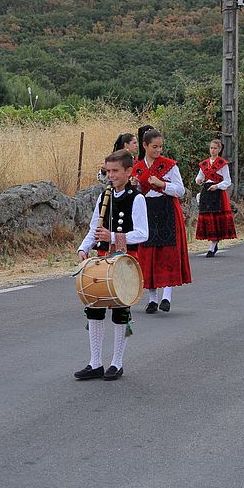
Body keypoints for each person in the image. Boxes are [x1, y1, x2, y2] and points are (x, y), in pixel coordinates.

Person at [75, 150, 148, 380]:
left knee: (119, 309)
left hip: (125, 260)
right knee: (94, 306)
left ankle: (117, 362)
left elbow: (143, 233)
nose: (111, 175)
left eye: (115, 171)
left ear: (128, 171)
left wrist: (114, 237)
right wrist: (83, 248)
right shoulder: (104, 196)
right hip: (102, 258)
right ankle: (95, 362)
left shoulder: (136, 198)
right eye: (108, 171)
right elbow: (94, 228)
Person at [131, 129, 192, 312]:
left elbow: (180, 190)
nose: (158, 150)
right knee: (149, 254)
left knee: (168, 253)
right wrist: (135, 186)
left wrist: (162, 184)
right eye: (155, 147)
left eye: (160, 147)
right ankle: (152, 299)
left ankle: (166, 296)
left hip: (167, 211)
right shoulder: (137, 168)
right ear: (145, 145)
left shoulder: (170, 166)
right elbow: (136, 194)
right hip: (147, 212)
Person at [195, 139, 236, 257]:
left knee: (216, 219)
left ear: (219, 149)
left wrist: (217, 186)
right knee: (208, 219)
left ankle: (213, 246)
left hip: (217, 193)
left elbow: (227, 181)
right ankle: (212, 243)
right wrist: (199, 180)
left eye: (215, 148)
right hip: (207, 192)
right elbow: (198, 177)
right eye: (211, 148)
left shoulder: (222, 164)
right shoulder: (204, 164)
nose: (212, 150)